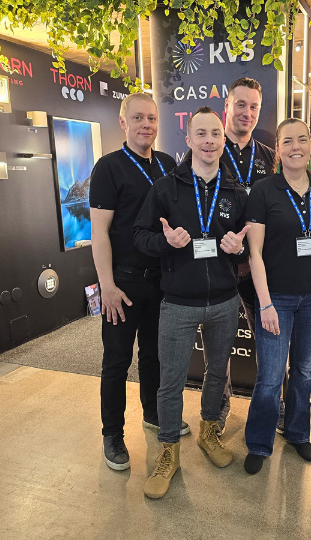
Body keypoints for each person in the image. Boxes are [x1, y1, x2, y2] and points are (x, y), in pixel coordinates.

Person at [132, 106, 250, 500]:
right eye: (201, 134)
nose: (209, 141)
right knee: (171, 381)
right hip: (178, 303)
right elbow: (140, 236)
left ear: (223, 139)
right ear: (188, 139)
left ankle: (208, 432)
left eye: (215, 134)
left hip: (224, 301)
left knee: (217, 374)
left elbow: (248, 242)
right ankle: (168, 452)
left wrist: (239, 248)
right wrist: (165, 241)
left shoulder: (236, 192)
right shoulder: (166, 188)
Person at [88, 92, 188, 474]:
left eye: (152, 118)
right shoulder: (108, 168)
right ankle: (112, 435)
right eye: (138, 118)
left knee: (154, 356)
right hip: (122, 285)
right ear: (123, 122)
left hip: (161, 282)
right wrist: (107, 287)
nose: (146, 124)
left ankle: (154, 414)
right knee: (116, 361)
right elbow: (100, 233)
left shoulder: (166, 164)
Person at [242, 118, 311, 474]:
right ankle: (259, 442)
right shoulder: (263, 191)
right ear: (278, 149)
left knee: (303, 370)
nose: (295, 147)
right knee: (271, 376)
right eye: (287, 141)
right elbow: (254, 253)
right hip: (277, 298)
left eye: (302, 139)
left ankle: (298, 432)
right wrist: (265, 303)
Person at [183, 77, 278, 433]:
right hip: (217, 265)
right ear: (227, 106)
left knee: (269, 341)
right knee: (218, 348)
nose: (247, 113)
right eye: (241, 104)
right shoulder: (207, 149)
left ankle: (273, 406)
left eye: (254, 107)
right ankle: (219, 407)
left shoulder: (269, 156)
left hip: (257, 266)